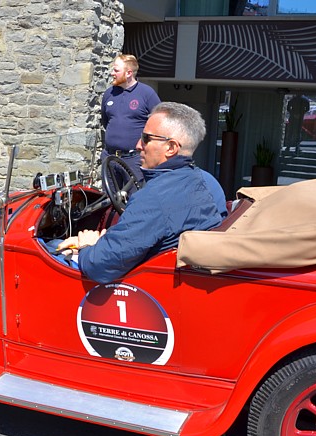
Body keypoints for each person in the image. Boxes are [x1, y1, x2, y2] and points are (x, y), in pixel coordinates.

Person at [58, 102, 227, 284]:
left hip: (148, 285)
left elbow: (99, 267)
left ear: (171, 148)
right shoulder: (208, 181)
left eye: (146, 138)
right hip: (184, 277)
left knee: (53, 248)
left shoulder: (153, 198)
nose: (138, 145)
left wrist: (87, 245)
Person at [100, 54, 160, 180]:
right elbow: (106, 122)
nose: (112, 73)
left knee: (134, 198)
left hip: (134, 159)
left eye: (116, 70)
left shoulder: (147, 93)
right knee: (110, 198)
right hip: (109, 157)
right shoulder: (109, 93)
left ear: (128, 73)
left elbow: (159, 123)